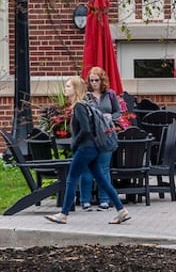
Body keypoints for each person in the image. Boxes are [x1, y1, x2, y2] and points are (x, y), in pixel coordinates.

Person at [45, 76, 130, 225]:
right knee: (102, 180)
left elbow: (85, 129)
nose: (65, 89)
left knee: (71, 179)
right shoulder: (86, 105)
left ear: (76, 89)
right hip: (94, 147)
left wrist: (74, 144)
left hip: (86, 148)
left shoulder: (79, 106)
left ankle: (63, 214)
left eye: (69, 86)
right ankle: (121, 210)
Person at [78, 66, 120, 212]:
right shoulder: (85, 96)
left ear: (102, 80)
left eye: (97, 80)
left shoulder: (110, 95)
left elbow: (118, 113)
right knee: (87, 168)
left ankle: (104, 200)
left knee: (103, 168)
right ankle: (85, 201)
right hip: (90, 136)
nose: (94, 83)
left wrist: (111, 117)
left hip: (107, 134)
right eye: (91, 80)